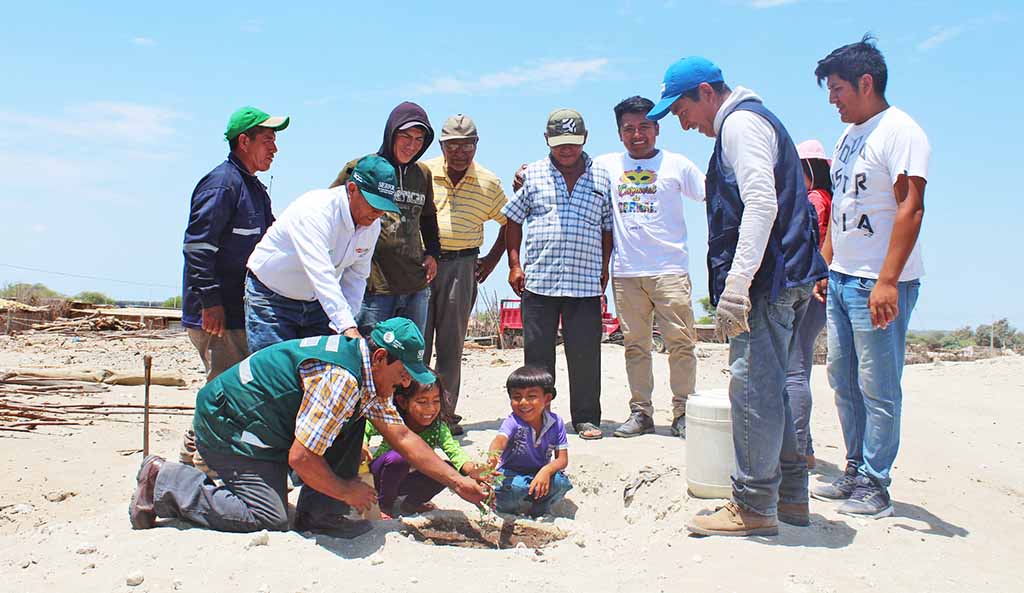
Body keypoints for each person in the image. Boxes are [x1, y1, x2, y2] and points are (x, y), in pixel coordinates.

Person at [647, 56, 827, 536]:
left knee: (753, 391)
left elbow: (761, 202)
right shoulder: (750, 121)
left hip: (769, 282)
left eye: (682, 109)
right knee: (778, 390)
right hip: (788, 277)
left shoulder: (740, 125)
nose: (683, 123)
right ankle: (790, 497)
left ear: (706, 93)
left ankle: (752, 505)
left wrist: (737, 286)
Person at [128, 318, 490, 536]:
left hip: (268, 426)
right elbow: (302, 458)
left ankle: (319, 515)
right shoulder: (342, 380)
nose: (406, 385)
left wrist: (457, 482)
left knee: (348, 427)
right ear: (381, 357)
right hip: (231, 426)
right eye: (403, 375)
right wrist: (347, 491)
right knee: (265, 516)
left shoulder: (367, 373)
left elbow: (404, 437)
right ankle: (164, 479)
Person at [810, 36, 930, 519]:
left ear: (865, 82)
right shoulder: (847, 136)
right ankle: (855, 470)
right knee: (843, 379)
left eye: (837, 88)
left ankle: (877, 486)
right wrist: (825, 262)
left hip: (879, 283)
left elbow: (911, 208)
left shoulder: (901, 131)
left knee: (878, 385)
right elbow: (844, 206)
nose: (832, 98)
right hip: (842, 278)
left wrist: (887, 281)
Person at [179, 106, 288, 468]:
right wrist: (210, 302)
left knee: (230, 388)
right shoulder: (223, 184)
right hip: (218, 314)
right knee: (224, 391)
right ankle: (205, 469)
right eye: (267, 139)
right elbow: (198, 247)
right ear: (244, 141)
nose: (274, 147)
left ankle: (195, 455)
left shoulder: (253, 188)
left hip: (242, 311)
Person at [594, 96, 705, 439]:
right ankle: (641, 413)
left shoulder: (678, 165)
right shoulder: (606, 165)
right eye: (629, 128)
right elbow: (566, 165)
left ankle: (683, 412)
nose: (637, 134)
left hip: (670, 270)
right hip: (626, 272)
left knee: (681, 344)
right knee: (635, 346)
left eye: (644, 127)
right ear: (619, 133)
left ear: (657, 129)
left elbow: (711, 195)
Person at [502, 108, 613, 441]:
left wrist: (604, 267)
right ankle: (539, 417)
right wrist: (514, 264)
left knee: (585, 353)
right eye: (560, 143)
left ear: (585, 139)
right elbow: (513, 220)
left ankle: (586, 418)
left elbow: (608, 229)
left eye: (574, 143)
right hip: (539, 281)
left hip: (585, 281)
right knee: (537, 357)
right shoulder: (532, 175)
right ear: (547, 140)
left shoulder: (603, 178)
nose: (567, 150)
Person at [244, 155, 399, 353]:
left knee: (317, 373)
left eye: (383, 207)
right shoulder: (315, 212)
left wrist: (344, 325)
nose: (378, 213)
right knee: (275, 373)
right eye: (373, 204)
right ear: (352, 189)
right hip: (272, 299)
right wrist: (347, 327)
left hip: (317, 304)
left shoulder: (372, 225)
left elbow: (357, 276)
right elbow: (321, 274)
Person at [421, 114, 509, 435]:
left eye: (467, 145)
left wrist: (494, 260)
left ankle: (444, 415)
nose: (460, 152)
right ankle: (415, 416)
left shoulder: (488, 181)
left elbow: (510, 221)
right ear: (442, 145)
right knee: (417, 343)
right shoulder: (423, 172)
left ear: (476, 145)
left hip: (463, 267)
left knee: (450, 344)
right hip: (422, 266)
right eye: (453, 145)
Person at [330, 102, 441, 336]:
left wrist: (433, 252)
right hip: (373, 287)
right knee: (369, 356)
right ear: (391, 133)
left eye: (419, 139)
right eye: (406, 136)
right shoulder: (362, 168)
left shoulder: (422, 174)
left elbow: (428, 217)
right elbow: (333, 209)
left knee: (409, 359)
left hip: (415, 286)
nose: (412, 145)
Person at [363, 372, 486, 517]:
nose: (431, 408)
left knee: (448, 469)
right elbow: (366, 428)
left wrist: (473, 469)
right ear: (403, 402)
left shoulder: (438, 427)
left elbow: (455, 452)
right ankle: (384, 506)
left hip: (406, 480)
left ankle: (411, 504)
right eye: (422, 401)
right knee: (399, 459)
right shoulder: (392, 420)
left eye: (436, 401)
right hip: (380, 476)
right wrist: (363, 445)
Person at [786, 139, 834, 468]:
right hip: (822, 292)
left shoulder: (814, 201)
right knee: (799, 368)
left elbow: (808, 246)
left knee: (794, 372)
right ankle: (807, 448)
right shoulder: (829, 198)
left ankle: (799, 450)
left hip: (810, 290)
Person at [487, 366, 572, 516]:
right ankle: (514, 506)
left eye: (531, 396)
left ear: (546, 399)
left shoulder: (556, 422)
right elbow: (500, 440)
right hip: (512, 476)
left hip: (538, 474)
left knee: (561, 483)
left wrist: (546, 470)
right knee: (515, 488)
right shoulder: (513, 421)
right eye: (517, 397)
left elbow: (562, 459)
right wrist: (492, 458)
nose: (524, 402)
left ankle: (538, 509)